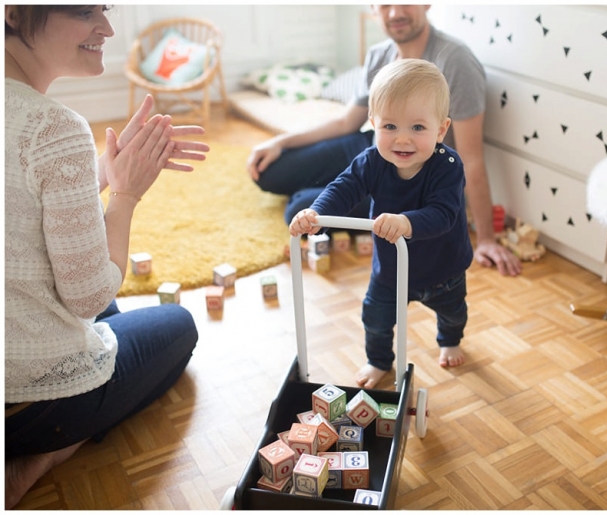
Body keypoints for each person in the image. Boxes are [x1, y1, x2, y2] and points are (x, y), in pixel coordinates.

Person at [4, 5, 209, 508]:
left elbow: (19, 212)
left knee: (108, 307)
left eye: (105, 8)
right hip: (29, 405)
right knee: (178, 324)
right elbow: (87, 296)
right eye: (83, 9)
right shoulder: (52, 125)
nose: (108, 28)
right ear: (10, 14)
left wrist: (96, 173)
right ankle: (44, 456)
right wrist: (127, 195)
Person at [248, 4, 523, 277]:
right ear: (373, 8)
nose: (395, 13)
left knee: (300, 209)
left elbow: (471, 158)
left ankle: (322, 187)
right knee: (268, 169)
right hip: (372, 150)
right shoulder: (379, 54)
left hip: (411, 176)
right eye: (386, 4)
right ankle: (327, 182)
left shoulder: (455, 61)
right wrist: (280, 142)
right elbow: (346, 122)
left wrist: (486, 238)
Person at [290, 58, 472, 389]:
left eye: (418, 128)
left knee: (453, 313)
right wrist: (317, 215)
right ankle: (378, 360)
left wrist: (406, 222)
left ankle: (449, 338)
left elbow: (444, 214)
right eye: (390, 127)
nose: (402, 140)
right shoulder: (371, 161)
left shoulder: (448, 165)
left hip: (443, 270)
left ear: (441, 129)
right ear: (373, 123)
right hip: (389, 271)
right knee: (374, 319)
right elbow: (343, 189)